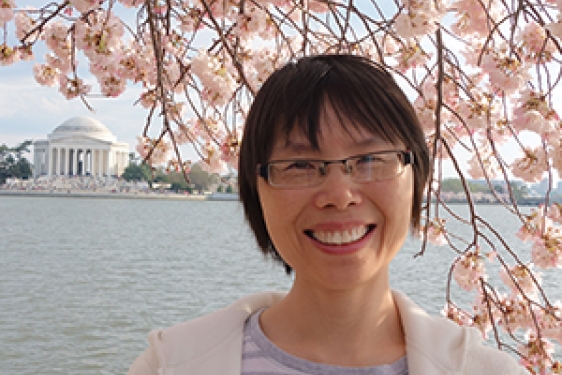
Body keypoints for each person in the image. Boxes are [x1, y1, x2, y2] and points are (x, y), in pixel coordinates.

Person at [127, 55, 529, 375]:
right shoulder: (172, 364)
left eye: (371, 159)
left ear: (417, 179)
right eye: (300, 164)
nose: (339, 195)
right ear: (257, 192)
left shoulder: (485, 370)